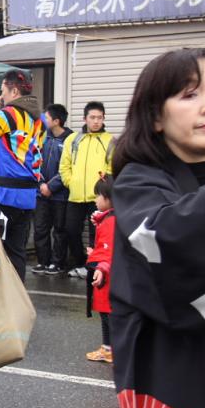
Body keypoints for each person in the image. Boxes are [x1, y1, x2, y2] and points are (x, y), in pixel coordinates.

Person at [109, 48, 205, 408]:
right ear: (156, 117)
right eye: (190, 94)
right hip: (183, 380)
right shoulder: (138, 186)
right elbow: (169, 242)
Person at [0, 69, 45, 281]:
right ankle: (18, 294)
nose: (1, 96)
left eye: (3, 90)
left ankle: (1, 295)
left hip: (4, 194)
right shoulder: (39, 119)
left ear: (14, 90)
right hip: (28, 196)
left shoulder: (9, 114)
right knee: (17, 251)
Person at [59, 101, 114, 279]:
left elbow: (113, 168)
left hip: (98, 198)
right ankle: (80, 263)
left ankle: (94, 267)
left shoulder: (110, 140)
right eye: (92, 117)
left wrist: (104, 189)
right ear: (85, 119)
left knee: (96, 234)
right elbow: (64, 165)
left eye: (99, 117)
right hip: (75, 196)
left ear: (104, 118)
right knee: (71, 230)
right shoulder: (72, 139)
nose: (96, 121)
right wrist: (71, 182)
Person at [32, 103, 74, 275]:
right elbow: (35, 161)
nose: (44, 120)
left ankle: (57, 263)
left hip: (60, 194)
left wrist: (51, 186)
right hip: (41, 193)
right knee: (40, 228)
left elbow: (69, 168)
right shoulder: (42, 137)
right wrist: (41, 184)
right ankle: (43, 261)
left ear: (56, 121)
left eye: (47, 117)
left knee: (59, 230)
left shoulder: (71, 140)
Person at [83, 174, 114, 364]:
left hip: (108, 275)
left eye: (98, 195)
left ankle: (110, 348)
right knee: (106, 313)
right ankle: (109, 347)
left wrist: (100, 266)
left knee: (107, 314)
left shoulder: (110, 221)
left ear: (108, 198)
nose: (95, 199)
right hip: (108, 272)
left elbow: (109, 249)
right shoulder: (108, 218)